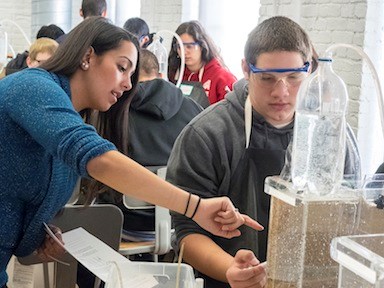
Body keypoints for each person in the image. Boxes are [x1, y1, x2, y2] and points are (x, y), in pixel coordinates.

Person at [0, 16, 261, 288]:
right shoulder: (33, 87)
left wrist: (37, 229)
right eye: (122, 68)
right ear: (88, 56)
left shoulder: (74, 120)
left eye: (131, 75)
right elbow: (101, 161)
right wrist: (194, 207)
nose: (127, 84)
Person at [166, 16, 361, 288]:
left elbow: (350, 216)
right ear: (246, 68)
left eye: (294, 77)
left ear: (310, 69)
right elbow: (186, 233)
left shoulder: (333, 136)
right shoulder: (207, 135)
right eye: (267, 78)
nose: (282, 92)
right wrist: (231, 270)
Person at [95, 48, 203, 237]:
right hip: (182, 221)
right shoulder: (195, 109)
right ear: (161, 75)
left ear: (128, 77)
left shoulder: (109, 112)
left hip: (123, 222)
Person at [168, 20, 237, 105]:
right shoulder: (173, 74)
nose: (184, 52)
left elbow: (231, 112)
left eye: (190, 46)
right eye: (180, 47)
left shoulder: (222, 77)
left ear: (202, 46)